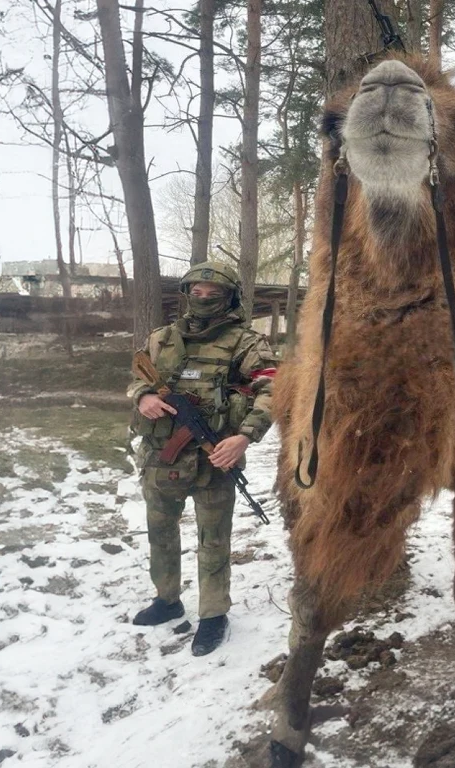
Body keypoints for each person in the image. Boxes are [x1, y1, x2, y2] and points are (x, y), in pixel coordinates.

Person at [126, 261, 277, 656]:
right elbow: (138, 376)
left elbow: (272, 389)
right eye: (197, 292)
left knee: (213, 542)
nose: (204, 298)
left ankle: (212, 615)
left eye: (213, 294)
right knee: (160, 532)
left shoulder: (246, 342)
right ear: (187, 294)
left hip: (216, 458)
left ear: (229, 298)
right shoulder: (162, 338)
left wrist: (245, 437)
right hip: (162, 456)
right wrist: (143, 396)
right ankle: (167, 600)